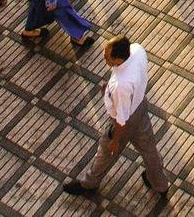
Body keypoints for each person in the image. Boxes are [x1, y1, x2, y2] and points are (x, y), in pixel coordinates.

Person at [61, 39, 170, 200]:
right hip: (140, 107)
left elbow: (121, 120)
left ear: (119, 59)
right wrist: (109, 92)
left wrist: (115, 141)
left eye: (107, 57)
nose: (104, 58)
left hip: (124, 120)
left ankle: (89, 184)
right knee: (149, 149)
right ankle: (161, 185)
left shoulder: (121, 85)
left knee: (105, 152)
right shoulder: (137, 50)